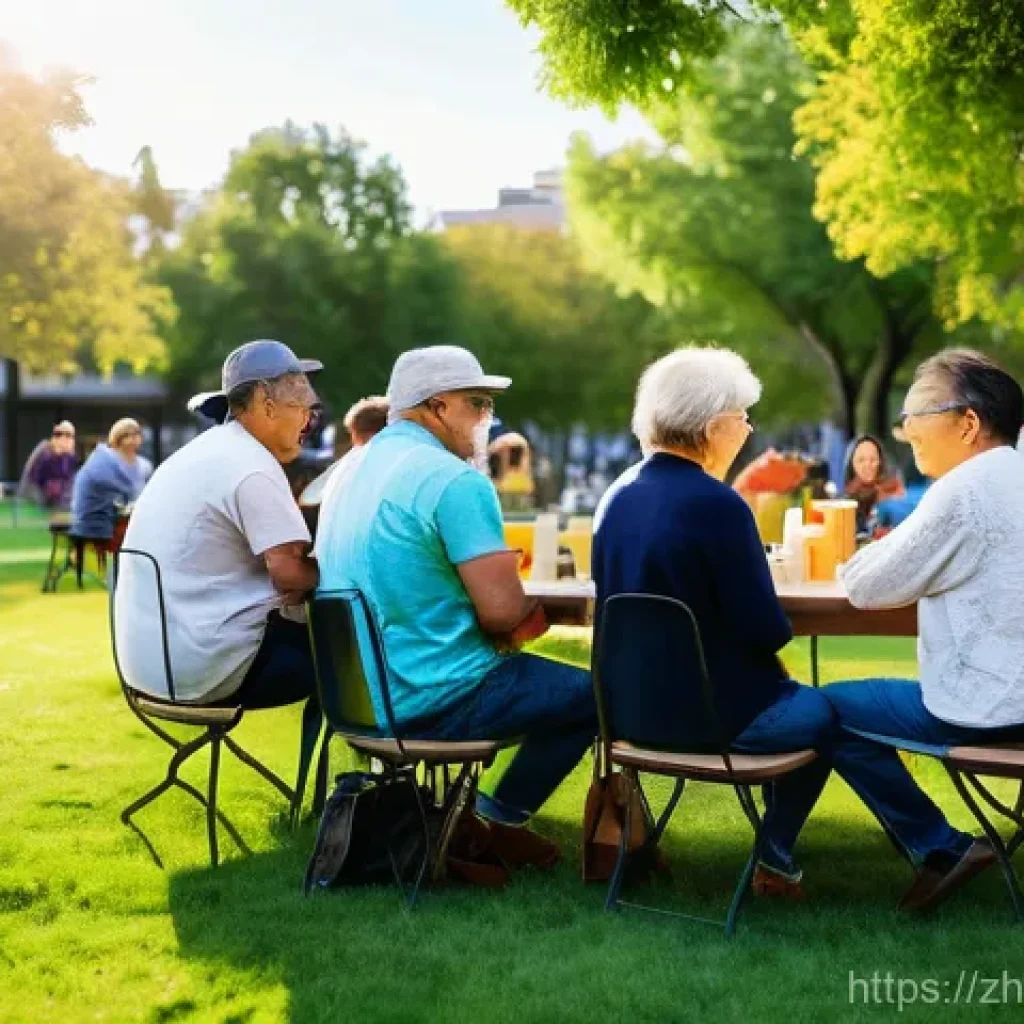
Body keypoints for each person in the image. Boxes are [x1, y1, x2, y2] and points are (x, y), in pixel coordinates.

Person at [316, 345, 597, 867]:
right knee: (599, 693)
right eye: (479, 403)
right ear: (438, 406)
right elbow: (502, 613)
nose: (488, 418)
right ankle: (500, 820)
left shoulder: (347, 472)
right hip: (433, 697)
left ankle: (468, 819)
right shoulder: (453, 479)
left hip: (358, 698)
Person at [593, 348, 837, 896]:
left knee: (802, 707)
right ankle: (774, 857)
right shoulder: (718, 505)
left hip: (626, 717)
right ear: (712, 427)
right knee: (824, 714)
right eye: (743, 417)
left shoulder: (617, 495)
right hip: (713, 722)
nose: (749, 429)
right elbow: (769, 631)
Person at [825, 349, 1024, 912]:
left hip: (990, 705)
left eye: (919, 413)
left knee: (827, 711)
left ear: (968, 424)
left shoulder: (963, 490)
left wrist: (863, 557)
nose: (906, 428)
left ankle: (939, 846)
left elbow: (865, 586)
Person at [113, 340, 322, 707]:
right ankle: (364, 758)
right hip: (202, 671)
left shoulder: (204, 451)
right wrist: (350, 575)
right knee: (361, 650)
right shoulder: (253, 465)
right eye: (302, 407)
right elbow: (289, 574)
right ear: (266, 404)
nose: (308, 420)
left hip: (148, 668)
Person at [70, 419, 153, 543]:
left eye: (136, 435)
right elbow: (131, 491)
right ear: (117, 438)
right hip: (95, 523)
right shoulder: (103, 460)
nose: (133, 440)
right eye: (127, 436)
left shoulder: (143, 465)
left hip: (119, 519)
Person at [843, 434, 904, 532]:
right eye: (861, 460)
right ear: (851, 465)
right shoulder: (844, 504)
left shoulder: (893, 494)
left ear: (880, 462)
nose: (868, 465)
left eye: (873, 460)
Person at [20, 421, 78, 510]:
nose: (67, 440)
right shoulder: (44, 451)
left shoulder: (70, 457)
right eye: (62, 435)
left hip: (57, 494)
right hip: (35, 489)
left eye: (70, 436)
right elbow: (32, 477)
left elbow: (69, 480)